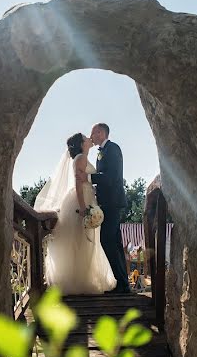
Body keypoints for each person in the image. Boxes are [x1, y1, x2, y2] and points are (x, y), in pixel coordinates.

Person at [33, 133, 116, 295]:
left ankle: (81, 279)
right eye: (86, 138)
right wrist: (83, 207)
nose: (89, 139)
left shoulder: (80, 157)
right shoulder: (81, 158)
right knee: (82, 241)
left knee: (82, 241)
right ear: (81, 143)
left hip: (84, 198)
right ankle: (80, 281)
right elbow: (79, 185)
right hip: (81, 200)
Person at [89, 123, 131, 293]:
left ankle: (121, 283)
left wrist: (89, 178)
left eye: (93, 132)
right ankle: (122, 283)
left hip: (112, 202)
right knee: (114, 242)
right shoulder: (102, 151)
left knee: (107, 240)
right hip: (107, 202)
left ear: (101, 133)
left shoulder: (113, 149)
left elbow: (111, 176)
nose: (91, 135)